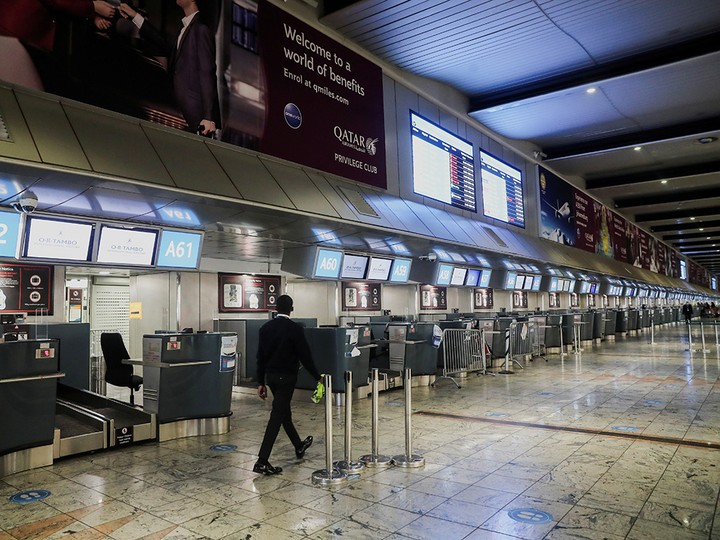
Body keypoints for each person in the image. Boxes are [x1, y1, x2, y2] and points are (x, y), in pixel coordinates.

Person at [119, 0, 220, 136]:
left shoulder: (201, 30)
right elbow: (162, 43)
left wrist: (209, 118)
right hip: (183, 111)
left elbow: (207, 73)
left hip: (197, 117)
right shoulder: (185, 29)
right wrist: (134, 16)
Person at [254, 295, 321, 475]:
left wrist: (260, 382)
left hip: (271, 378)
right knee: (277, 415)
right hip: (287, 378)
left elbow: (260, 357)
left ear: (276, 308)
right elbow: (305, 356)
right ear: (291, 309)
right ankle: (262, 460)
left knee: (284, 413)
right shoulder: (295, 329)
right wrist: (318, 376)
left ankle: (299, 445)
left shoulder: (265, 328)